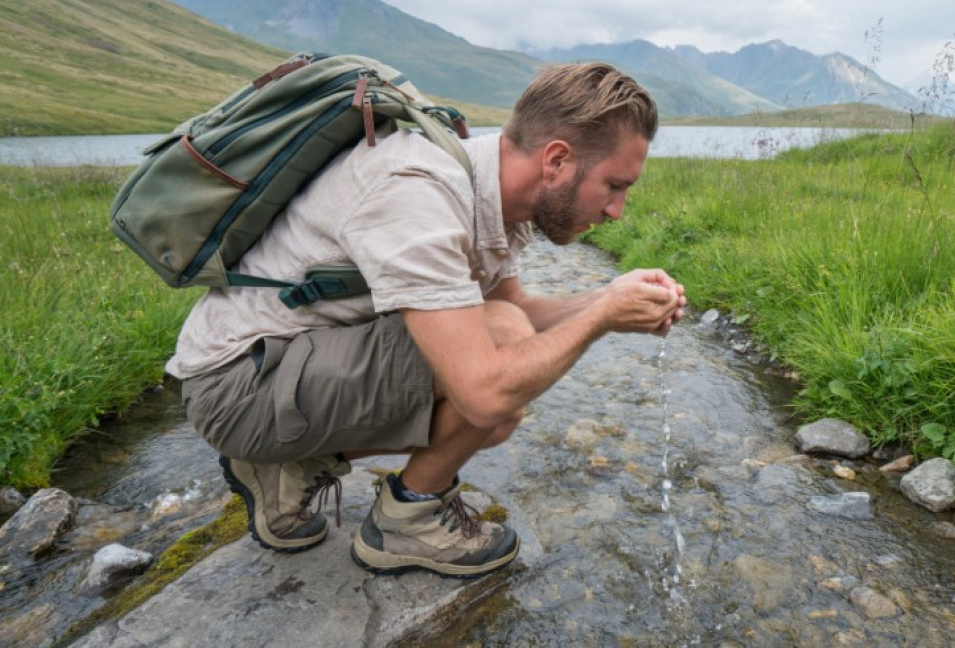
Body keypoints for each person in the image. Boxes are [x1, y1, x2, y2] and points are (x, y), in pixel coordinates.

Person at [166, 62, 686, 578]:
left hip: (282, 367)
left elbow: (521, 310)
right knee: (496, 369)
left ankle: (290, 465)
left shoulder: (497, 196)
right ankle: (406, 518)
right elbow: (485, 386)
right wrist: (599, 318)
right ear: (556, 161)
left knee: (503, 377)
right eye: (614, 185)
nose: (617, 210)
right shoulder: (419, 192)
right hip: (238, 386)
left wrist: (609, 297)